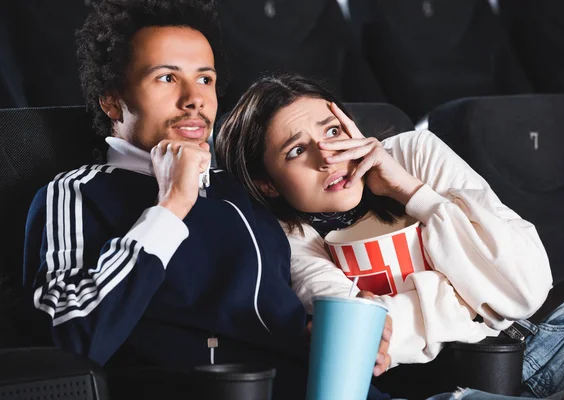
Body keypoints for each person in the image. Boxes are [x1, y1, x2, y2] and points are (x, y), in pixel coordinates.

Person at [20, 1, 392, 399]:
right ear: (112, 101)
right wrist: (172, 206)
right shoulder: (77, 191)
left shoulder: (243, 186)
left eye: (205, 79)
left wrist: (329, 331)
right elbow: (68, 339)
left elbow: (298, 284)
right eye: (166, 78)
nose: (194, 99)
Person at [215, 73, 564, 398]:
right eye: (296, 150)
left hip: (563, 335)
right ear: (267, 184)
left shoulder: (415, 153)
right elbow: (360, 338)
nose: (328, 155)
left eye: (333, 131)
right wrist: (473, 292)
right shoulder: (283, 236)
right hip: (455, 385)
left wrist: (412, 193)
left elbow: (524, 286)